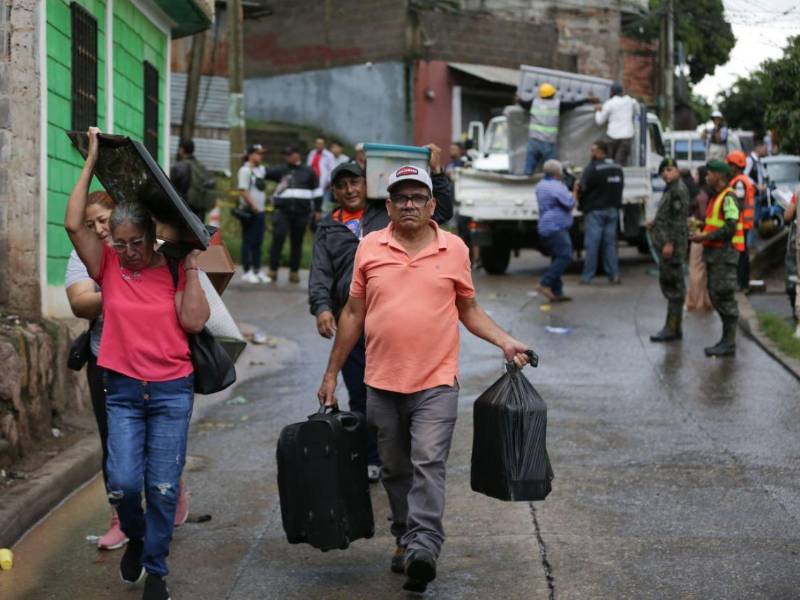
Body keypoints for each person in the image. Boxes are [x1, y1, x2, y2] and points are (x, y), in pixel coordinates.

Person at [317, 164, 530, 594]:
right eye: (401, 197)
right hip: (381, 380)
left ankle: (424, 547)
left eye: (418, 197)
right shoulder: (370, 247)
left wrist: (505, 341)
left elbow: (469, 309)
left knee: (428, 461)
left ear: (432, 205)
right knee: (395, 468)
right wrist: (332, 372)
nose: (409, 204)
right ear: (389, 205)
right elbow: (354, 313)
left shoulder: (454, 249)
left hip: (436, 381)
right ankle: (404, 536)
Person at [65, 127, 209, 600]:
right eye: (120, 242)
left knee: (163, 487)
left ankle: (157, 571)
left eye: (136, 242)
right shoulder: (107, 265)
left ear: (152, 238)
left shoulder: (174, 267)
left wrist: (190, 263)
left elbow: (194, 322)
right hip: (124, 391)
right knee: (124, 485)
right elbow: (74, 225)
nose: (127, 252)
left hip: (171, 391)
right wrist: (90, 160)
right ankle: (137, 536)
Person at [308, 147, 453, 483]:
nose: (349, 190)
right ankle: (372, 458)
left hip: (391, 316)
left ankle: (409, 449)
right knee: (362, 394)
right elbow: (320, 272)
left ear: (366, 184)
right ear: (334, 192)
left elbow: (441, 211)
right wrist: (322, 307)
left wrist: (437, 173)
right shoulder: (328, 227)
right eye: (341, 185)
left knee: (405, 390)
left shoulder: (385, 213)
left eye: (355, 182)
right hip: (353, 320)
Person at [65, 192, 193, 554]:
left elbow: (193, 243)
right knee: (118, 455)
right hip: (110, 364)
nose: (98, 229)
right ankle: (123, 520)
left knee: (157, 459)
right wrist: (121, 287)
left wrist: (135, 283)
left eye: (103, 220)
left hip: (163, 372)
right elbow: (79, 302)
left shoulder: (157, 254)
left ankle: (165, 503)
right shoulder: (96, 257)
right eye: (91, 224)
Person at [689, 160, 745, 357]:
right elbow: (717, 223)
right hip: (716, 254)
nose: (706, 177)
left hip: (725, 254)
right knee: (715, 294)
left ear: (719, 176)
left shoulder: (729, 197)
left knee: (724, 296)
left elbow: (730, 227)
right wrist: (701, 227)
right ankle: (726, 339)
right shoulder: (718, 197)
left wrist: (706, 236)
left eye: (709, 173)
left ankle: (729, 342)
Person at [648, 158, 690, 342]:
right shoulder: (671, 188)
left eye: (670, 169)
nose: (666, 173)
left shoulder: (678, 190)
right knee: (670, 285)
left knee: (674, 287)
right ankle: (674, 327)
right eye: (663, 171)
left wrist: (670, 243)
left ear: (677, 171)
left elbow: (678, 221)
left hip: (673, 247)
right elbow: (668, 215)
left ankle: (672, 328)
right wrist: (655, 222)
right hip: (668, 245)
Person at [266, 146, 319, 283]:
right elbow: (264, 173)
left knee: (297, 242)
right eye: (286, 155)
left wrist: (317, 210)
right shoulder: (281, 170)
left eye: (290, 154)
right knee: (278, 237)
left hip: (302, 213)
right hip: (282, 212)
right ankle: (272, 270)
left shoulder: (308, 171)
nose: (288, 157)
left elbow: (317, 192)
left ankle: (294, 272)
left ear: (297, 155)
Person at [518, 83, 595, 175]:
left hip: (533, 141)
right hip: (548, 142)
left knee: (528, 170)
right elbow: (573, 104)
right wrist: (587, 99)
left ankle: (525, 181)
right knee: (552, 170)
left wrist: (519, 99)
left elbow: (523, 104)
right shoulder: (557, 105)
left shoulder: (534, 103)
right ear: (552, 94)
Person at [576, 140, 624, 284]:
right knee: (610, 244)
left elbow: (582, 187)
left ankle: (587, 277)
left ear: (600, 152)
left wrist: (581, 202)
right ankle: (614, 275)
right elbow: (620, 186)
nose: (591, 153)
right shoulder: (617, 167)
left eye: (593, 150)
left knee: (593, 244)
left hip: (595, 211)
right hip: (612, 210)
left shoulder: (592, 168)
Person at [535, 159, 575, 302]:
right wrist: (575, 191)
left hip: (546, 226)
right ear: (558, 172)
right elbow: (570, 203)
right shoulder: (556, 186)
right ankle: (545, 283)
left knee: (556, 257)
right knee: (565, 255)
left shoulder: (541, 185)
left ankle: (557, 292)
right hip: (555, 227)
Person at [236, 144, 271, 284]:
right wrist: (254, 205)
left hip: (260, 211)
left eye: (262, 154)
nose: (261, 156)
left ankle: (257, 269)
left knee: (258, 241)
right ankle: (247, 271)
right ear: (250, 155)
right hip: (250, 211)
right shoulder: (244, 170)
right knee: (248, 241)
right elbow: (243, 190)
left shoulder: (260, 170)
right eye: (258, 153)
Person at [726, 150, 756, 291]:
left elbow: (739, 204)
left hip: (741, 224)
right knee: (743, 254)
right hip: (744, 223)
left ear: (735, 166)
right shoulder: (743, 180)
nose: (728, 168)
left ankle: (742, 284)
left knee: (741, 254)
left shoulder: (739, 182)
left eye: (730, 165)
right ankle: (743, 284)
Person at [685, 166, 713, 311]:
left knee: (695, 269)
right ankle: (706, 301)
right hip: (709, 235)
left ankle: (694, 302)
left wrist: (692, 222)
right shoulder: (710, 192)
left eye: (696, 174)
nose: (694, 176)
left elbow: (703, 217)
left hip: (700, 234)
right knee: (705, 271)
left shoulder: (701, 196)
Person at [170, 139, 215, 222]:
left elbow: (170, 190)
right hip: (199, 214)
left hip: (182, 212)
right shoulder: (201, 167)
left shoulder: (178, 168)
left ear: (182, 150)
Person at [593, 82, 636, 166]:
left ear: (611, 92)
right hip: (626, 136)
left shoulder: (609, 103)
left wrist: (598, 111)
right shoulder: (629, 100)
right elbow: (636, 105)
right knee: (620, 164)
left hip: (612, 136)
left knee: (609, 163)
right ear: (622, 92)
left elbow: (599, 121)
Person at [307, 135, 335, 221]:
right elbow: (308, 167)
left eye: (321, 143)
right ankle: (312, 221)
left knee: (324, 205)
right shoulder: (312, 153)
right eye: (317, 143)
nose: (319, 145)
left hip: (324, 184)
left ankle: (325, 221)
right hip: (312, 182)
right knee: (312, 203)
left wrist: (329, 182)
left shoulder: (329, 155)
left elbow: (332, 169)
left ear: (324, 144)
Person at [745, 141, 768, 223]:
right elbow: (745, 176)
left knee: (758, 219)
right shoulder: (749, 160)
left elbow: (764, 175)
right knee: (753, 220)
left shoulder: (759, 161)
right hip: (752, 195)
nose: (766, 150)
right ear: (758, 148)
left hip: (759, 195)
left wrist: (765, 184)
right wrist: (756, 185)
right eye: (764, 148)